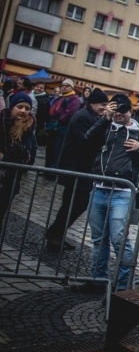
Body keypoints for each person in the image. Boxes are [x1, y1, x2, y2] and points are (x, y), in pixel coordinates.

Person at [76, 94, 139, 293]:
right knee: (98, 239)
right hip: (99, 189)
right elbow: (87, 139)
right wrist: (105, 118)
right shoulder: (106, 126)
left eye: (123, 111)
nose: (119, 115)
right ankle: (98, 280)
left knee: (119, 240)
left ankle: (122, 286)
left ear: (130, 111)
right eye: (116, 110)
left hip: (123, 192)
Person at [45, 88, 109, 252]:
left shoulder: (91, 116)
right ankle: (55, 234)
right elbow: (87, 142)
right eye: (102, 104)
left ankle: (57, 234)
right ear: (92, 103)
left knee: (72, 203)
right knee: (77, 203)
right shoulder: (83, 117)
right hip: (75, 167)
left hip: (81, 167)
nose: (104, 107)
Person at [0, 93, 37, 223]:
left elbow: (28, 159)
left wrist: (4, 158)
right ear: (12, 107)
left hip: (9, 182)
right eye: (20, 107)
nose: (23, 111)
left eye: (27, 109)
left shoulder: (28, 131)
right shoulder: (2, 122)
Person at [45, 79, 80, 172]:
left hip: (61, 128)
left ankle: (52, 171)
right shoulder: (61, 97)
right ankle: (47, 169)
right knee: (50, 149)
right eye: (63, 85)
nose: (64, 87)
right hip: (52, 127)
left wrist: (60, 119)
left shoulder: (73, 98)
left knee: (57, 150)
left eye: (67, 85)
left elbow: (70, 112)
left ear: (71, 87)